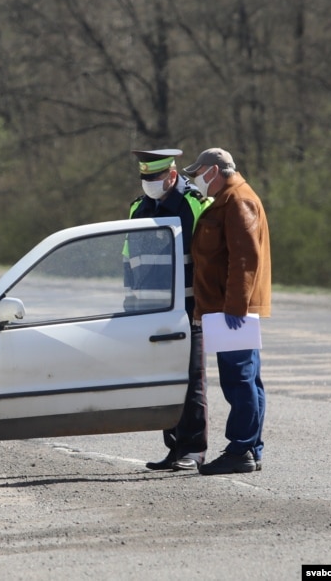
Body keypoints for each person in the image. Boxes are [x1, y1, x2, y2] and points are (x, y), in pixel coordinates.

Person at [182, 148, 271, 475]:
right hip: (228, 307)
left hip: (231, 309)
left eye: (199, 173)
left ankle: (240, 450)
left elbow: (244, 259)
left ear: (214, 171)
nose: (196, 180)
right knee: (247, 379)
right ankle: (251, 448)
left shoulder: (237, 201)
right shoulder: (229, 199)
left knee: (239, 380)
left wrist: (234, 308)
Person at [126, 149, 210, 472]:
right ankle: (174, 447)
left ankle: (194, 449)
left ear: (172, 175)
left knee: (191, 382)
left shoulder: (193, 204)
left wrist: (203, 307)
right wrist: (131, 304)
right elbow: (128, 258)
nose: (149, 183)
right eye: (145, 177)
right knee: (164, 381)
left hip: (187, 310)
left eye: (156, 177)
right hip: (151, 311)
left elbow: (206, 260)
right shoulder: (138, 207)